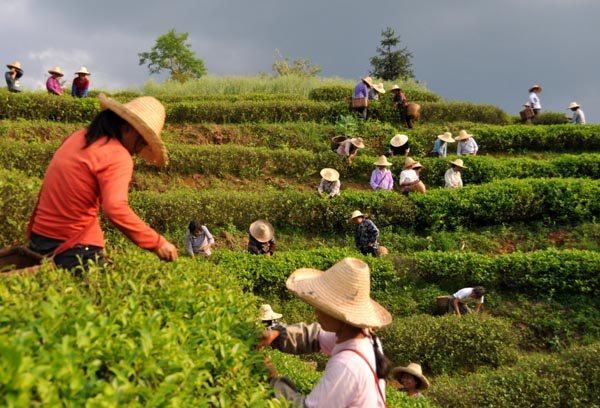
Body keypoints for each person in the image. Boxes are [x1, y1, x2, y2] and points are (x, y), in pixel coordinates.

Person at [27, 93, 178, 271]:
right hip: (74, 248)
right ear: (130, 129)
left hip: (39, 238)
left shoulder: (77, 137)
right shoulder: (117, 155)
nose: (139, 150)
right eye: (143, 141)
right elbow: (115, 208)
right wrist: (158, 242)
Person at [258, 257, 392, 407]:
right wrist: (276, 334)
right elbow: (315, 336)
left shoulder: (347, 365)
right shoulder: (365, 336)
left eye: (322, 306)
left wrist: (272, 378)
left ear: (338, 315)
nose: (316, 311)